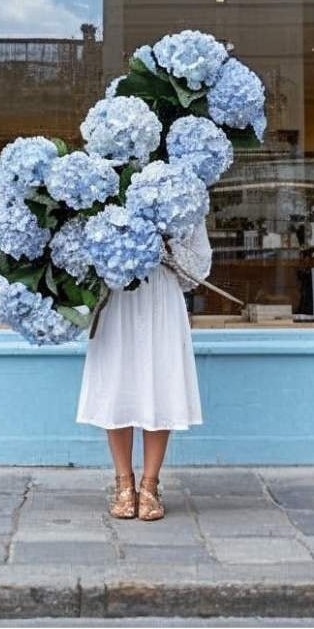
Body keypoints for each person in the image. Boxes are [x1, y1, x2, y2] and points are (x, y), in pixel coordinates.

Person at [76, 221, 212, 521]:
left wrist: (164, 246)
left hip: (161, 293)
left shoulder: (186, 188)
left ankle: (150, 485)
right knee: (116, 382)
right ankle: (124, 483)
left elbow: (199, 264)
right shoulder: (107, 175)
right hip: (118, 290)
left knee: (160, 381)